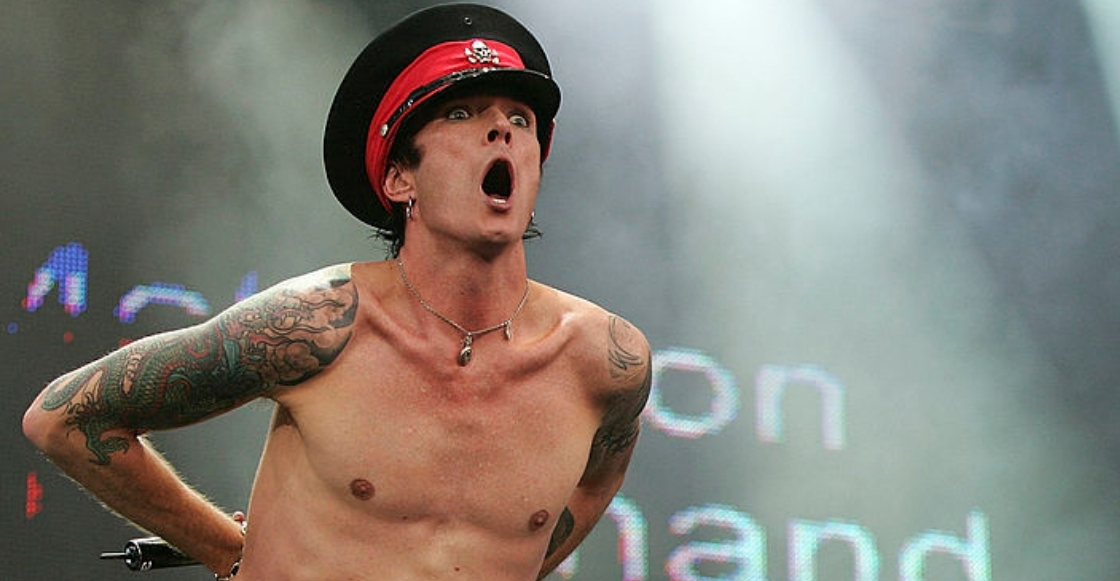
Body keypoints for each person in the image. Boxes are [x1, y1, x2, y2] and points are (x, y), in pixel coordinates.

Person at [21, 4, 652, 581]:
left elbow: (593, 485)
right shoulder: (318, 326)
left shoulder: (605, 361)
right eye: (461, 114)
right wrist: (227, 549)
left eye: (521, 119)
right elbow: (64, 418)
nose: (501, 131)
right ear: (400, 178)